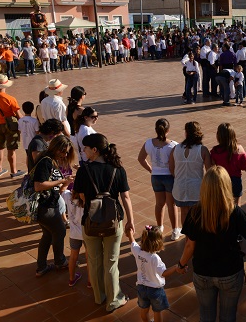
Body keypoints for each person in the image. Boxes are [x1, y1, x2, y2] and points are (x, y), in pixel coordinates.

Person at [178, 166, 246, 322]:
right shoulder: (235, 212)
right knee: (228, 315)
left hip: (202, 272)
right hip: (230, 273)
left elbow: (189, 246)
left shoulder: (195, 212)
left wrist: (181, 265)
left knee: (206, 314)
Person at [77, 133, 134, 313]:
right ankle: (114, 300)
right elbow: (125, 197)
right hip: (113, 222)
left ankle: (99, 296)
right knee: (111, 262)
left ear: (94, 150)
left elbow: (80, 196)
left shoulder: (83, 170)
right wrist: (130, 221)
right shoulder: (118, 169)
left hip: (90, 222)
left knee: (94, 262)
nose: (83, 151)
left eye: (85, 148)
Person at [32, 135, 76, 277]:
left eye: (67, 152)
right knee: (60, 231)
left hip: (49, 204)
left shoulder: (53, 161)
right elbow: (38, 186)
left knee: (48, 235)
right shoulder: (46, 162)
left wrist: (65, 183)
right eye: (63, 151)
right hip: (46, 207)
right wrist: (61, 181)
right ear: (56, 148)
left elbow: (57, 190)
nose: (65, 154)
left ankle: (41, 266)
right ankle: (60, 261)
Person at [138, 118, 181, 240]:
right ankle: (175, 231)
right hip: (169, 177)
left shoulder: (148, 143)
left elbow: (141, 158)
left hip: (156, 176)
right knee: (171, 205)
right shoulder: (173, 145)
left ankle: (160, 227)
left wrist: (151, 169)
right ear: (168, 130)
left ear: (156, 130)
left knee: (159, 204)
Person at [127, 226, 177, 322]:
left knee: (144, 310)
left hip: (141, 288)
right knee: (157, 312)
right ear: (158, 243)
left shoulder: (138, 252)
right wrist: (175, 268)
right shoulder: (155, 258)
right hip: (155, 290)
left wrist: (130, 234)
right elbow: (164, 273)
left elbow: (133, 243)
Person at [169, 121, 211, 225]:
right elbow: (210, 170)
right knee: (197, 215)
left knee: (184, 213)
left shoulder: (176, 148)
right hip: (196, 188)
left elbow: (171, 168)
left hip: (180, 187)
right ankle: (195, 238)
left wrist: (179, 176)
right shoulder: (203, 150)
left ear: (186, 133)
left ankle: (187, 237)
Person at [0, 74, 24, 178]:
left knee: (0, 147)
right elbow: (18, 115)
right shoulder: (10, 99)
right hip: (11, 125)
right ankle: (14, 171)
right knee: (11, 149)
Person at [210, 123, 246, 206]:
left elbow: (212, 168)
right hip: (235, 181)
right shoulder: (239, 149)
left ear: (218, 136)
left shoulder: (214, 151)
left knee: (222, 204)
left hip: (221, 180)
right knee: (236, 205)